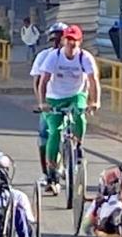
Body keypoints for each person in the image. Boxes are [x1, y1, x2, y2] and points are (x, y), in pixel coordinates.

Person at [38, 25, 101, 195]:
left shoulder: (84, 58)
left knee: (80, 115)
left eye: (74, 40)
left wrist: (95, 101)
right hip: (54, 97)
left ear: (80, 42)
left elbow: (93, 80)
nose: (71, 43)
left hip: (76, 94)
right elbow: (43, 81)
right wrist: (43, 102)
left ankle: (78, 144)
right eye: (68, 40)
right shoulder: (54, 57)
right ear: (63, 40)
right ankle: (52, 170)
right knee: (54, 133)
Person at [30, 22, 67, 182]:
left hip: (68, 99)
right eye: (55, 39)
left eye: (61, 38)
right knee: (45, 136)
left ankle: (72, 160)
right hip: (50, 102)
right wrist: (42, 103)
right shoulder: (44, 56)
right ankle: (46, 172)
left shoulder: (76, 56)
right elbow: (38, 82)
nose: (58, 42)